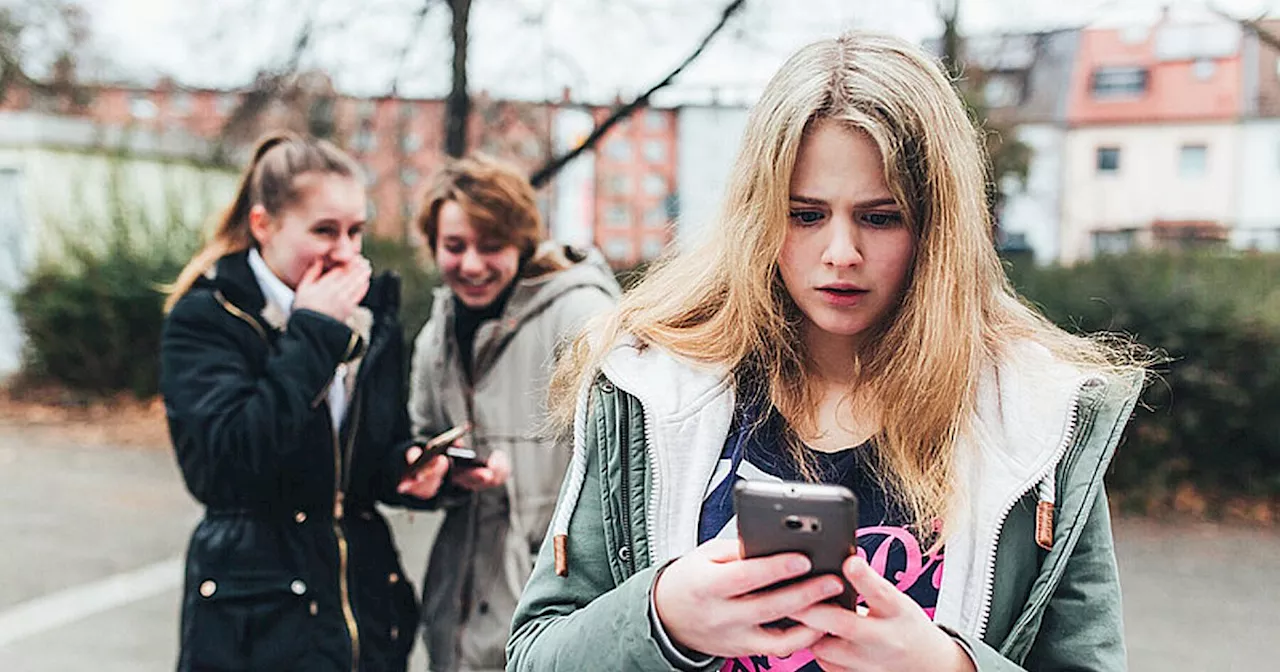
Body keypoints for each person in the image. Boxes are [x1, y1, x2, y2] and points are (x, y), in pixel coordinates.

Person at [507, 31, 1149, 672]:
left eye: (880, 216)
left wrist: (948, 667)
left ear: (938, 225)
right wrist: (663, 615)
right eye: (806, 215)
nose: (841, 253)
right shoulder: (651, 383)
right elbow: (534, 655)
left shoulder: (1037, 415)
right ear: (758, 214)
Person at [161, 132, 449, 672]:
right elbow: (225, 463)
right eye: (324, 231)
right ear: (263, 224)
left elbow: (362, 462)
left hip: (360, 612)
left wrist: (405, 470)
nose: (344, 250)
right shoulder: (207, 318)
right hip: (256, 617)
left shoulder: (371, 317)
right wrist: (313, 333)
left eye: (355, 231)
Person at [408, 154, 620, 671]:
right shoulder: (434, 337)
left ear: (522, 242)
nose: (472, 265)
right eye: (455, 246)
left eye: (491, 246)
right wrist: (440, 475)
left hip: (550, 618)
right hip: (456, 619)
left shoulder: (582, 316)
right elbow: (420, 441)